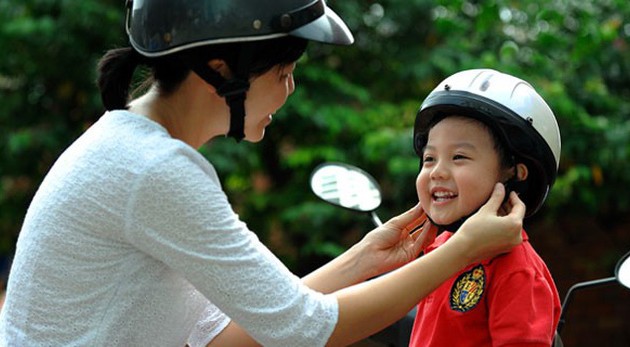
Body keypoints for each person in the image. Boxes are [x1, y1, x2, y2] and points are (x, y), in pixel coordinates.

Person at [0, 2, 526, 346]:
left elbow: (238, 332)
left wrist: (367, 258)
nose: (290, 89)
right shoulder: (155, 171)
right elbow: (305, 330)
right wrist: (462, 252)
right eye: (284, 72)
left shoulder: (127, 148)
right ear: (223, 71)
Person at [408, 68, 562, 346]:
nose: (436, 172)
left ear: (514, 174)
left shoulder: (517, 270)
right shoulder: (438, 247)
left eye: (459, 157)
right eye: (429, 158)